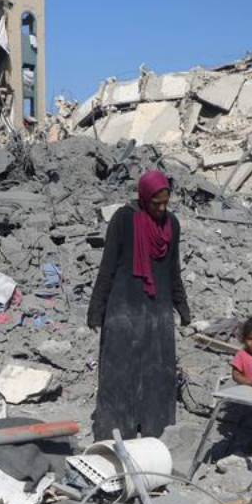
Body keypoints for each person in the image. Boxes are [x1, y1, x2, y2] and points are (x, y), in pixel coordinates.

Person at [87, 170, 190, 440]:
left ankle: (155, 430)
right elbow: (107, 265)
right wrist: (96, 308)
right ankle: (116, 433)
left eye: (165, 203)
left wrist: (182, 305)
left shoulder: (171, 225)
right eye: (156, 203)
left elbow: (172, 269)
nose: (161, 208)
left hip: (158, 311)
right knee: (120, 372)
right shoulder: (124, 219)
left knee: (157, 373)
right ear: (144, 198)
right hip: (123, 308)